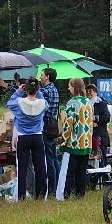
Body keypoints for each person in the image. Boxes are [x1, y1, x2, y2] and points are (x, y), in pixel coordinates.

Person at [8, 79, 48, 200]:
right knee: (40, 167)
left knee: (22, 167)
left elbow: (10, 103)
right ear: (37, 90)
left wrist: (19, 91)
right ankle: (40, 194)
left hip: (23, 136)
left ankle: (21, 195)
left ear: (26, 89)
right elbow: (46, 104)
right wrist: (38, 91)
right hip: (37, 136)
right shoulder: (42, 103)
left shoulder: (19, 102)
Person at [59, 78, 96, 197]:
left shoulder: (72, 103)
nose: (68, 88)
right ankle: (81, 194)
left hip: (74, 142)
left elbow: (68, 124)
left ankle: (67, 194)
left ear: (75, 87)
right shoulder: (88, 102)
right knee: (81, 171)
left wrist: (63, 141)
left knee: (70, 171)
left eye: (70, 86)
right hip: (86, 141)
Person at [38, 68, 62, 197]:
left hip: (46, 128)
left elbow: (31, 93)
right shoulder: (54, 89)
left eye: (41, 75)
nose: (40, 77)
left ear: (47, 76)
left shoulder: (45, 91)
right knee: (54, 157)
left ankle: (52, 189)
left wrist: (10, 86)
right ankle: (58, 185)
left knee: (49, 160)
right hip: (52, 127)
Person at [87, 83, 112, 165]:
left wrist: (95, 120)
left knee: (101, 160)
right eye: (87, 91)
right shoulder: (85, 103)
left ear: (95, 92)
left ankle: (104, 177)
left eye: (90, 91)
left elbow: (106, 118)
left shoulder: (102, 103)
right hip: (88, 136)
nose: (88, 93)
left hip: (100, 136)